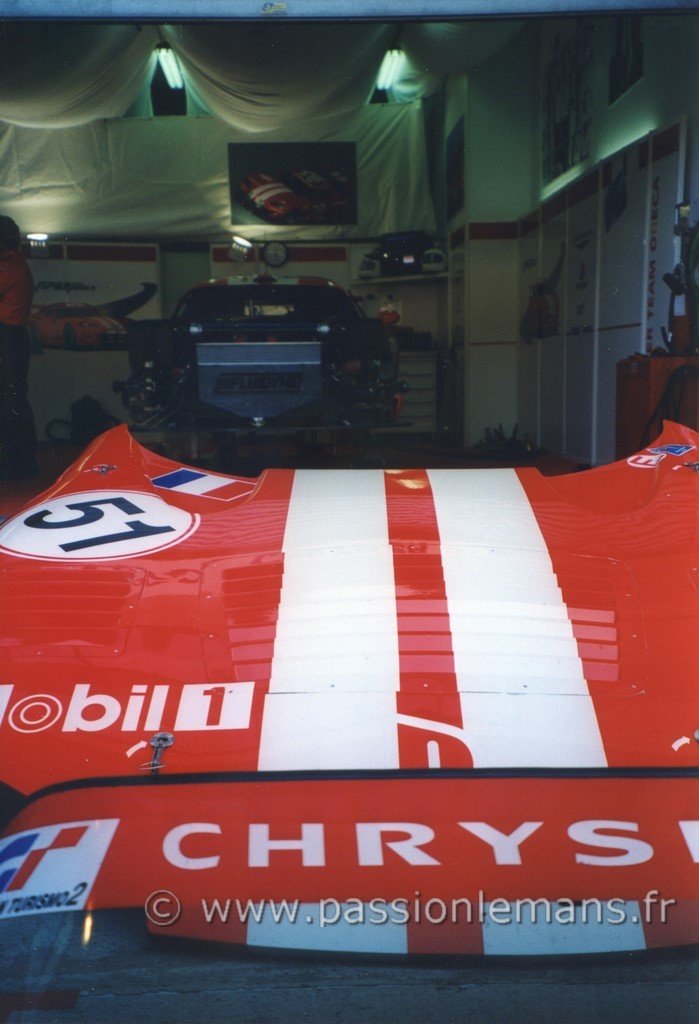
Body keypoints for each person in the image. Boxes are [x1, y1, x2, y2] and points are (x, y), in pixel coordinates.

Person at [0, 215, 38, 480]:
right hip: (11, 337)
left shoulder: (9, 265)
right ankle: (20, 462)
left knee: (11, 400)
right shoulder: (14, 262)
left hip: (8, 337)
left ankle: (19, 463)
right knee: (13, 399)